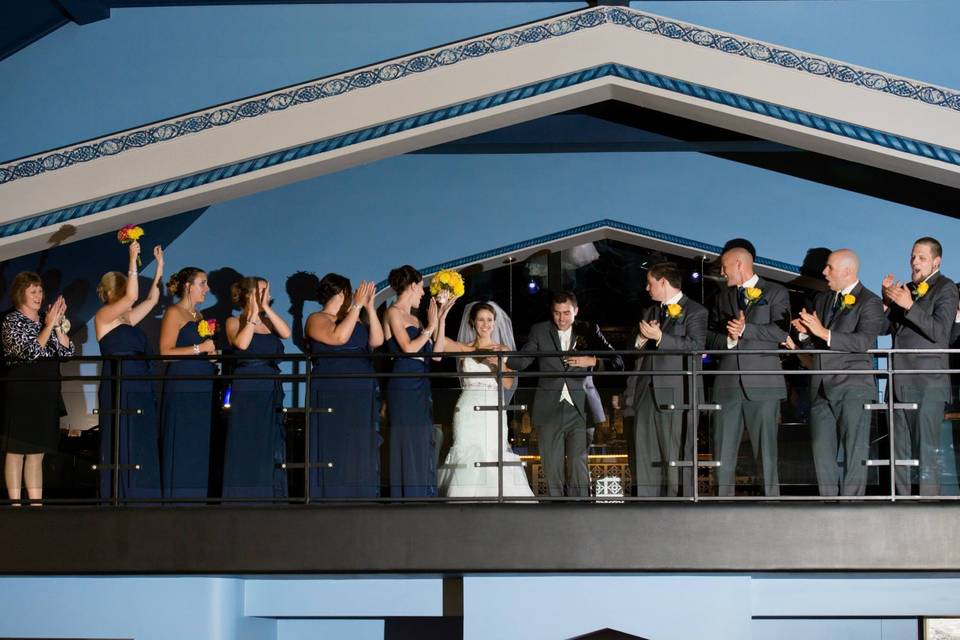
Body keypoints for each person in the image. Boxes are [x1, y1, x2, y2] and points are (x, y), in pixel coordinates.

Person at [787, 249, 884, 496]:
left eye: (829, 267)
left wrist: (823, 333)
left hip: (853, 388)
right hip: (820, 387)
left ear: (847, 271)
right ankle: (828, 508)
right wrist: (803, 335)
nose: (824, 272)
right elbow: (817, 345)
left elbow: (862, 341)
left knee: (854, 452)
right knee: (821, 451)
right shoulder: (821, 299)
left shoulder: (870, 301)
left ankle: (852, 512)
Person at [508, 291, 622, 497]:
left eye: (567, 313)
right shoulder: (539, 330)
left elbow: (618, 362)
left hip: (581, 409)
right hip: (548, 408)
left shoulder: (589, 329)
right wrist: (501, 354)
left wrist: (593, 361)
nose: (562, 318)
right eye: (557, 313)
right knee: (551, 467)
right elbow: (522, 361)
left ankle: (580, 515)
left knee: (578, 463)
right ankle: (555, 518)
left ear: (576, 311)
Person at [708, 247, 791, 497]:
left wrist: (746, 330)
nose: (722, 273)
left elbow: (780, 332)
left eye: (724, 267)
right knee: (722, 454)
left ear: (739, 264)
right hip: (727, 386)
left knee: (766, 454)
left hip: (764, 385)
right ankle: (722, 509)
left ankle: (771, 510)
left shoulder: (777, 292)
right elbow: (709, 337)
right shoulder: (721, 298)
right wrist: (730, 340)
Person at [881, 237, 958, 496]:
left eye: (921, 257)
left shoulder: (946, 288)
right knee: (898, 455)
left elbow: (940, 332)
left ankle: (929, 515)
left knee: (926, 455)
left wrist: (910, 306)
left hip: (928, 384)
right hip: (897, 382)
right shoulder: (907, 289)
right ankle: (900, 508)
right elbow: (884, 329)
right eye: (913, 256)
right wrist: (886, 302)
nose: (914, 262)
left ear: (936, 261)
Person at [623, 262, 708, 497]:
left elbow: (696, 347)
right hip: (645, 394)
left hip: (676, 395)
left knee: (675, 458)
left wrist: (661, 337)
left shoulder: (696, 311)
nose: (647, 289)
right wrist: (640, 338)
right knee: (645, 456)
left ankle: (678, 513)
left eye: (650, 283)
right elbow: (632, 348)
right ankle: (646, 511)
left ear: (663, 282)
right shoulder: (650, 311)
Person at [434, 300, 534, 499]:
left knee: (493, 451)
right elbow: (439, 349)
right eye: (481, 319)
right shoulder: (465, 348)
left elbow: (508, 384)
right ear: (473, 322)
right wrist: (441, 316)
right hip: (468, 407)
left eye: (489, 320)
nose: (485, 324)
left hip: (493, 408)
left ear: (495, 323)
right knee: (465, 450)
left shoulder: (502, 348)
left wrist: (496, 365)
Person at [93, 241, 165, 501]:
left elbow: (151, 299)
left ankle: (142, 492)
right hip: (120, 381)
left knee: (141, 435)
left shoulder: (128, 319)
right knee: (122, 435)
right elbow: (134, 298)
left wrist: (159, 269)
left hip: (138, 382)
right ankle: (120, 493)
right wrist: (132, 257)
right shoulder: (103, 317)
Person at [306, 274, 384, 498]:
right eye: (350, 294)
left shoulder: (355, 318)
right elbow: (338, 338)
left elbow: (376, 341)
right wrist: (356, 307)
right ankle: (330, 494)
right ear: (341, 294)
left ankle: (362, 494)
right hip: (333, 392)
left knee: (359, 446)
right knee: (335, 443)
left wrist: (368, 308)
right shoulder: (317, 318)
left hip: (360, 392)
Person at [1, 272, 74, 504]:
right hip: (22, 395)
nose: (39, 296)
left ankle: (35, 505)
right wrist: (49, 324)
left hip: (46, 395)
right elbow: (30, 353)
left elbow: (66, 354)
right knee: (16, 452)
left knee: (36, 454)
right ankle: (15, 504)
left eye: (40, 291)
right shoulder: (12, 321)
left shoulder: (46, 319)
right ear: (20, 293)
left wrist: (59, 325)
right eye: (33, 291)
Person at [222, 276, 291, 499]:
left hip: (270, 384)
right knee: (247, 437)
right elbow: (241, 344)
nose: (268, 295)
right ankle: (244, 493)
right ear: (249, 294)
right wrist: (252, 314)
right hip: (247, 385)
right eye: (263, 291)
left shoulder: (269, 321)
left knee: (271, 440)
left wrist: (265, 310)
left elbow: (286, 333)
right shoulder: (234, 321)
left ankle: (272, 494)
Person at [159, 267, 217, 500]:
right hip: (182, 384)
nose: (207, 288)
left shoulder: (199, 317)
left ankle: (197, 497)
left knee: (199, 444)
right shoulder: (174, 312)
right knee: (182, 441)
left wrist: (210, 355)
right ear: (188, 286)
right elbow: (165, 352)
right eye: (202, 283)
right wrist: (199, 348)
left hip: (202, 383)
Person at [383, 265, 439, 497]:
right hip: (404, 383)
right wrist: (430, 328)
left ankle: (424, 496)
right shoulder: (393, 312)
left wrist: (440, 319)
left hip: (421, 383)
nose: (423, 293)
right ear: (414, 286)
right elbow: (406, 348)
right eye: (421, 289)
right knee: (406, 440)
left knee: (423, 440)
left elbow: (435, 354)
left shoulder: (415, 319)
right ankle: (406, 498)